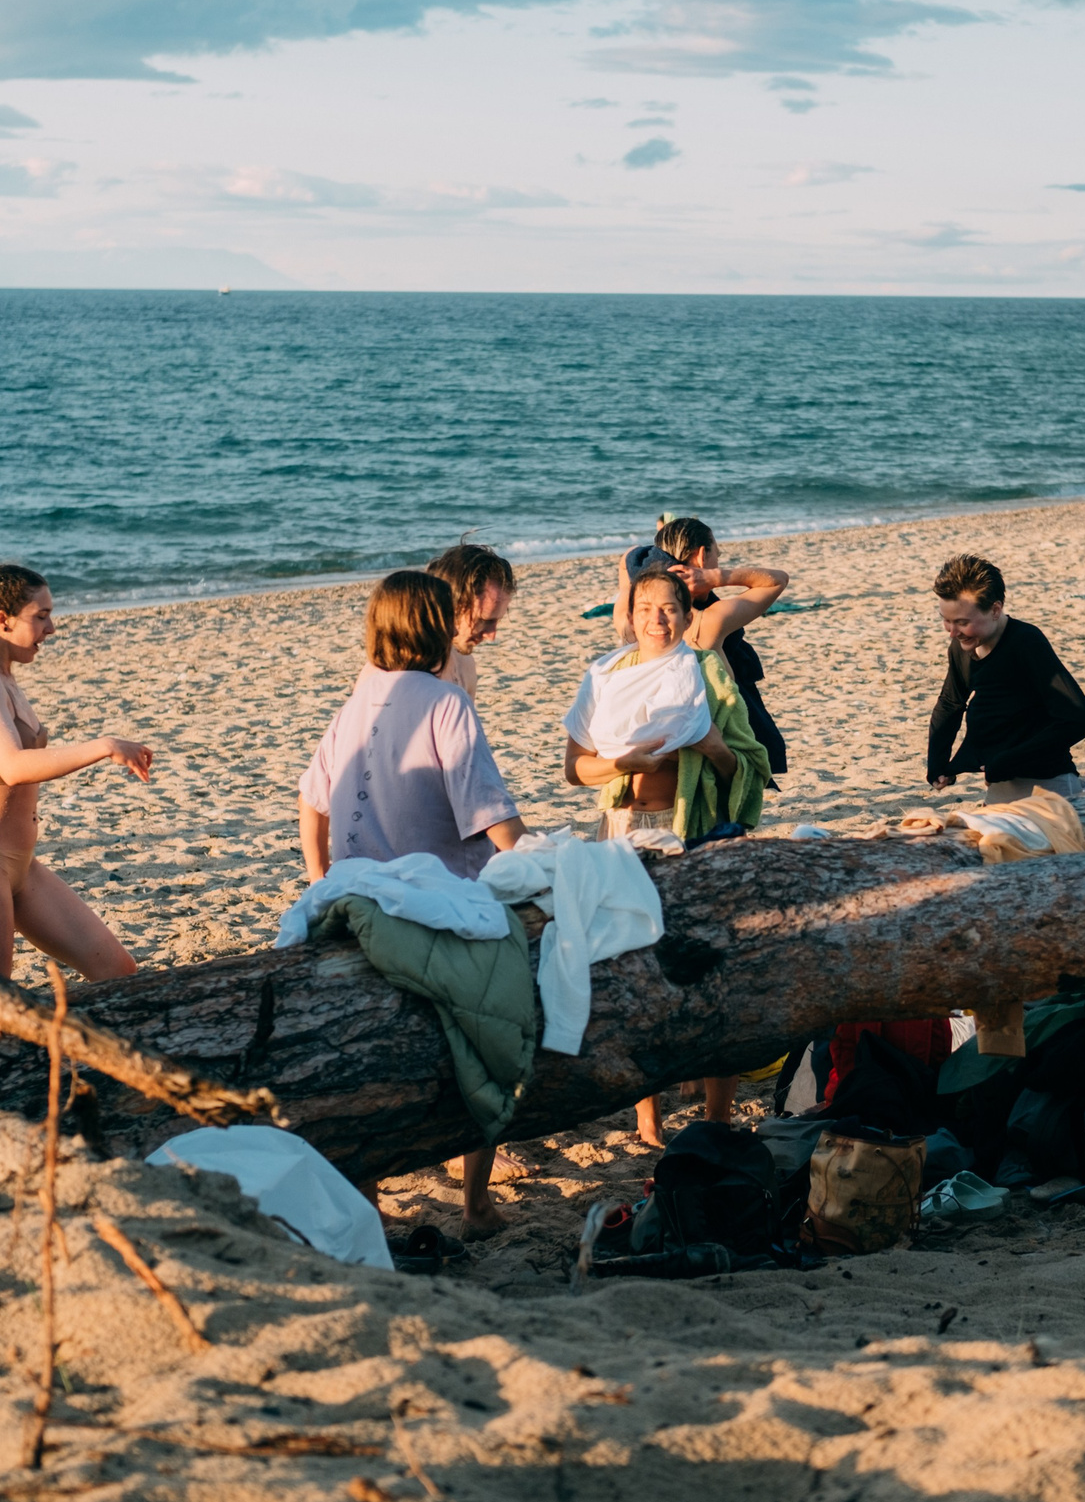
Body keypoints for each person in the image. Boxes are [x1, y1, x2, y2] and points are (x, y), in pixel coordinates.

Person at [300, 570, 529, 1231]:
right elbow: (489, 811)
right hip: (435, 903)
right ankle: (476, 1204)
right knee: (488, 1030)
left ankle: (370, 1201)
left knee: (367, 1056)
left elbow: (310, 799)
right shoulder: (445, 701)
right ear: (433, 628)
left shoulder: (356, 701)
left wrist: (320, 879)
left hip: (356, 904)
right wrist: (538, 860)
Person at [566, 563, 772, 1144]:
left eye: (669, 608)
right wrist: (622, 764)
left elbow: (750, 767)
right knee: (636, 976)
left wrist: (713, 748)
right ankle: (647, 1116)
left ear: (685, 616)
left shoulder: (707, 670)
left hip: (690, 832)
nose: (657, 619)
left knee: (713, 974)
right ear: (629, 617)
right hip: (622, 831)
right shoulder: (607, 674)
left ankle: (717, 1117)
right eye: (645, 608)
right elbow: (575, 769)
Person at [0, 564, 153, 986]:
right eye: (41, 617)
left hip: (20, 866)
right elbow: (13, 767)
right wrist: (104, 746)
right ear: (2, 620)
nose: (51, 628)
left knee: (117, 971)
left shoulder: (3, 679)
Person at [615, 516, 791, 777]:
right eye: (716, 555)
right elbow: (777, 580)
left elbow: (627, 560)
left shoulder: (630, 621)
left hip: (656, 747)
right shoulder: (707, 624)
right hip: (713, 747)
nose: (717, 561)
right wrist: (716, 577)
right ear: (701, 556)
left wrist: (655, 567)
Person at [926, 554, 1085, 801]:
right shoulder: (961, 647)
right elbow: (950, 703)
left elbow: (1079, 719)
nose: (953, 632)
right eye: (946, 620)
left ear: (995, 610)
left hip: (1049, 783)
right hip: (1001, 782)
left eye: (962, 622)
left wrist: (1009, 760)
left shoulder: (1026, 642)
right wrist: (938, 762)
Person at [428, 541, 516, 702]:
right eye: (484, 620)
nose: (491, 636)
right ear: (452, 605)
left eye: (497, 621)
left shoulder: (465, 664)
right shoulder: (400, 671)